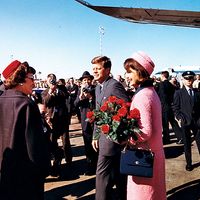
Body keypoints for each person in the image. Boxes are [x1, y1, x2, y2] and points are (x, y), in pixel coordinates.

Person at [0, 60, 51, 200]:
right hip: (26, 175)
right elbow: (34, 146)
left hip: (5, 171)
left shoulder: (1, 99)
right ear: (20, 79)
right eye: (31, 78)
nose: (34, 83)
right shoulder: (26, 104)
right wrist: (44, 169)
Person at [124, 51, 166, 200]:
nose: (126, 76)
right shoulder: (151, 92)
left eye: (129, 71)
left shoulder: (142, 95)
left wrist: (126, 138)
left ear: (140, 71)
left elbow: (145, 132)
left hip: (143, 158)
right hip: (155, 155)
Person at [91, 56, 130, 200]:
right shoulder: (97, 87)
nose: (94, 71)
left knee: (101, 176)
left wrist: (123, 135)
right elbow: (97, 113)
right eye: (93, 68)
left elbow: (127, 108)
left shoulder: (114, 85)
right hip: (103, 138)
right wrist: (95, 135)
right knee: (118, 175)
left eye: (98, 68)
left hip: (112, 140)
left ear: (107, 70)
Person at [42, 73, 72, 175]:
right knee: (52, 141)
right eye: (50, 80)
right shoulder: (45, 92)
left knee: (65, 141)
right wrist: (51, 91)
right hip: (51, 121)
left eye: (54, 80)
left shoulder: (62, 88)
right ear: (47, 82)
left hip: (62, 119)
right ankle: (56, 162)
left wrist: (57, 89)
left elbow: (66, 96)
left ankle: (69, 161)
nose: (52, 82)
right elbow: (46, 102)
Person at [173, 71, 200, 171]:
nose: (189, 80)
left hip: (197, 123)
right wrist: (179, 117)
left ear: (193, 79)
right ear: (183, 80)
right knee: (187, 144)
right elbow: (175, 107)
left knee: (199, 142)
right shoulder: (178, 93)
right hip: (185, 122)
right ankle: (189, 164)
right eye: (187, 79)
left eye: (191, 78)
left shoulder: (197, 92)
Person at [74, 71, 98, 175]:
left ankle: (98, 166)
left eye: (88, 79)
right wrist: (81, 98)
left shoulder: (96, 89)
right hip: (85, 122)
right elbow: (74, 104)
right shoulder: (80, 91)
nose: (87, 81)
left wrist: (91, 97)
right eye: (84, 80)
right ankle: (90, 167)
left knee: (97, 144)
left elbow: (98, 103)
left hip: (96, 121)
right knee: (88, 146)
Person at [157, 71, 183, 145]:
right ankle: (180, 137)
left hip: (164, 106)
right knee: (173, 122)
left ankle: (166, 139)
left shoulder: (162, 84)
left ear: (162, 76)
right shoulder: (170, 84)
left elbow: (162, 96)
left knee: (165, 123)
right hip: (170, 105)